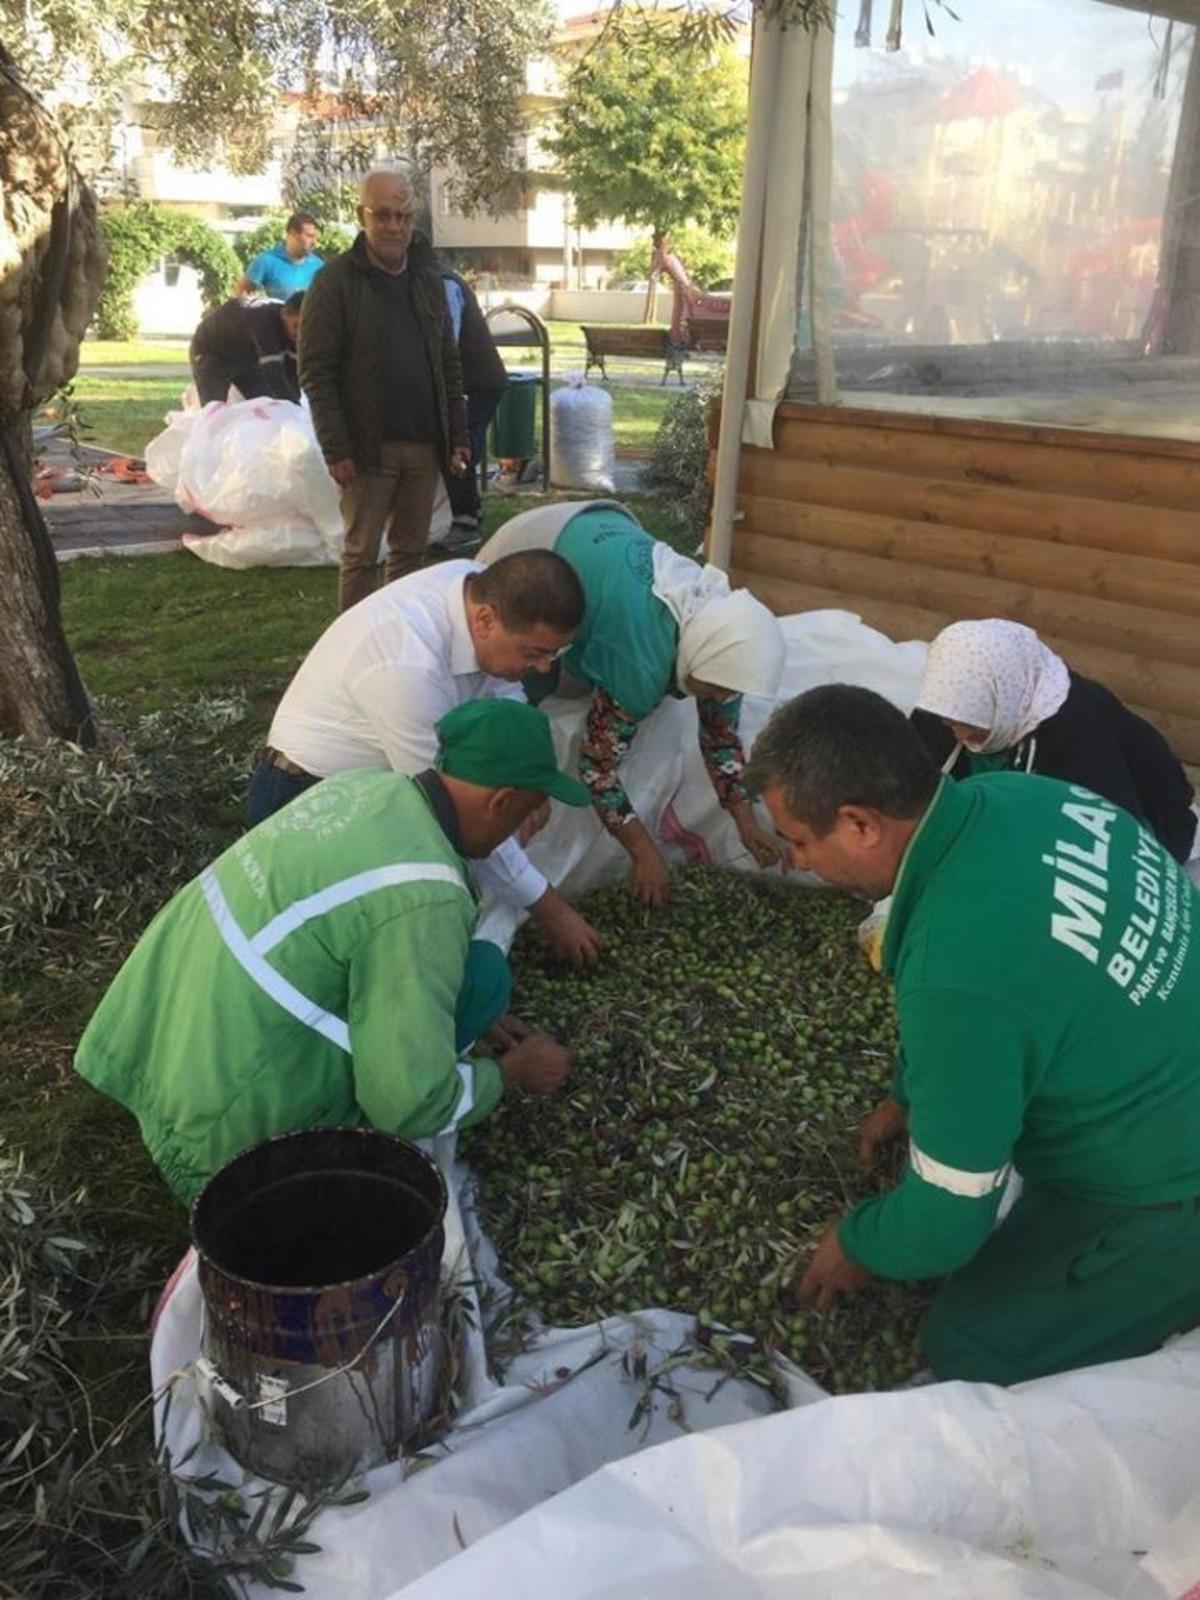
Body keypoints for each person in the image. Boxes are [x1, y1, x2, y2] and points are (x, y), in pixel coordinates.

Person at [748, 683, 1200, 1387]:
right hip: (1162, 1060)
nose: (799, 863)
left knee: (970, 1347)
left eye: (800, 841)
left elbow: (945, 1224)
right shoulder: (1030, 798)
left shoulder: (955, 974)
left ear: (860, 824)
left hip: (1165, 1179)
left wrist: (858, 1241)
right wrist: (907, 1095)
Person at [75, 699, 587, 1207]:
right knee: (461, 1003)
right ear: (500, 802)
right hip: (224, 1128)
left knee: (480, 977)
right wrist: (509, 1074)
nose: (521, 832)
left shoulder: (365, 786)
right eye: (526, 813)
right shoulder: (424, 894)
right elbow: (405, 1104)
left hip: (155, 1034)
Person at [246, 549, 603, 965]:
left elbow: (502, 695)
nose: (543, 669)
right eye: (532, 653)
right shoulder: (405, 663)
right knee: (341, 950)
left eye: (552, 655)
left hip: (382, 785)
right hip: (306, 796)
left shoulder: (475, 585)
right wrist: (548, 906)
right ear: (484, 620)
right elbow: (451, 813)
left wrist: (529, 784)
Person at [478, 500, 788, 906]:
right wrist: (644, 852)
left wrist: (745, 820)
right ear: (694, 658)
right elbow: (598, 767)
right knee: (517, 687)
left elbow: (720, 735)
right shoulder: (642, 665)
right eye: (716, 690)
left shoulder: (722, 640)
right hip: (535, 548)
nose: (721, 700)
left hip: (601, 532)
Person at [299, 169, 470, 611]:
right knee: (360, 556)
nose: (395, 227)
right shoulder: (335, 282)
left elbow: (449, 362)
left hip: (424, 446)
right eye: (384, 215)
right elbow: (316, 370)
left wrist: (458, 435)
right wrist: (337, 448)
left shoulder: (428, 279)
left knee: (410, 555)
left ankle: (399, 637)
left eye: (404, 216)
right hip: (365, 450)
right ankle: (351, 650)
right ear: (363, 216)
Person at [912, 619, 1196, 863]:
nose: (961, 736)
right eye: (952, 724)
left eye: (973, 726)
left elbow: (1110, 840)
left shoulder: (1077, 736)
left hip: (1139, 826)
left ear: (1004, 700)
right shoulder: (947, 704)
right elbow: (909, 777)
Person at [437, 267, 507, 550]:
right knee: (461, 441)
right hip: (474, 381)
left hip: (477, 382)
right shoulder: (442, 281)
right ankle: (472, 513)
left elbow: (448, 341)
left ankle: (465, 522)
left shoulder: (444, 284)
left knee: (458, 443)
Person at [188, 292, 303, 406]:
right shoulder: (264, 319)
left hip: (245, 358)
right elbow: (274, 373)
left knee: (267, 405)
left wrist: (296, 407)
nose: (299, 334)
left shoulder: (292, 324)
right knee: (213, 409)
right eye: (296, 326)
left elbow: (292, 373)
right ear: (284, 314)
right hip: (210, 351)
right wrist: (295, 407)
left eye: (304, 329)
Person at [238, 211, 325, 300]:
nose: (314, 242)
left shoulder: (319, 266)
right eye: (309, 236)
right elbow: (240, 295)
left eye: (315, 237)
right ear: (293, 233)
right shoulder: (267, 260)